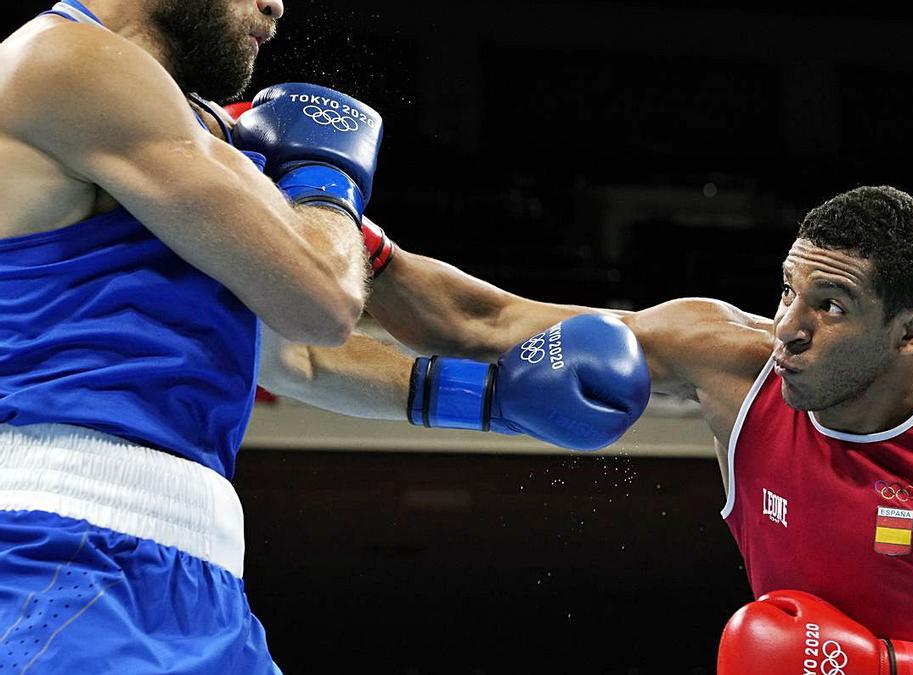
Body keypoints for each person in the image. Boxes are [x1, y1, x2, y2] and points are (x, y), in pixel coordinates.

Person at [0, 0, 648, 672]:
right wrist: (326, 177)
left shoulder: (194, 128)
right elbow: (324, 297)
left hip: (200, 575)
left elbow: (298, 357)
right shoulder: (64, 59)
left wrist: (494, 398)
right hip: (56, 550)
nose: (276, 5)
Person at [264, 186, 913, 673]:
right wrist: (341, 228)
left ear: (912, 329)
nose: (790, 327)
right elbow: (488, 321)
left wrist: (885, 666)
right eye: (787, 291)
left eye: (831, 306)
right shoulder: (730, 360)